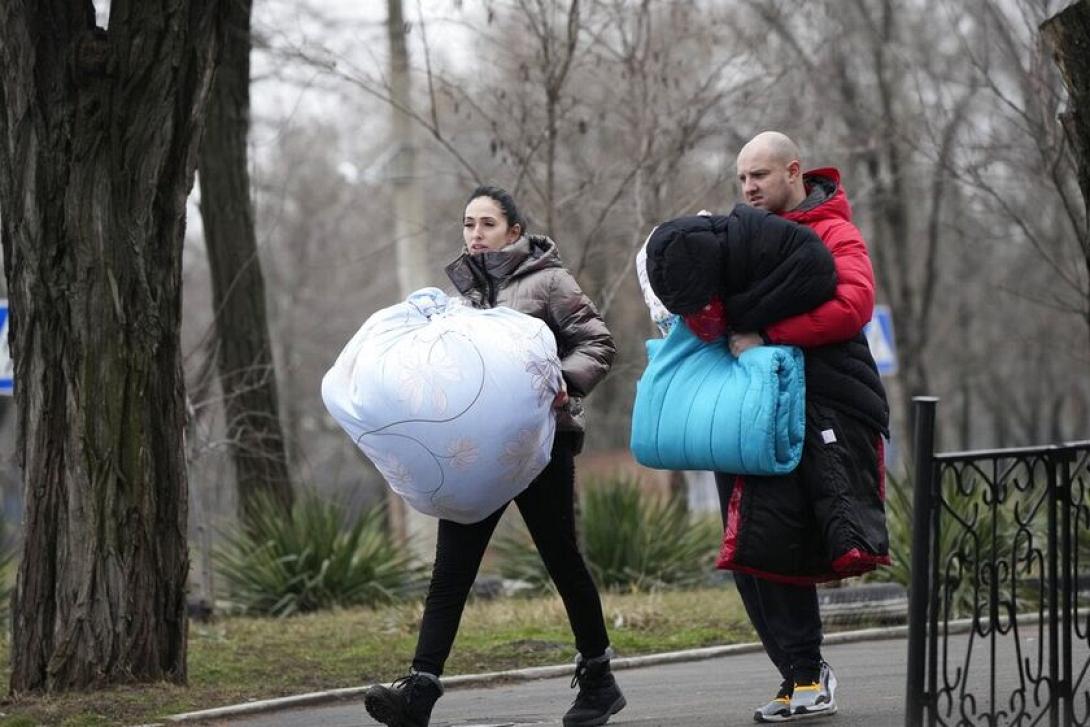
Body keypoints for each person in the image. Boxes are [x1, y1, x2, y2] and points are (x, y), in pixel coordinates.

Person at [363, 186, 625, 727]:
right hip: (476, 454)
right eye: (467, 224)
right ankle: (420, 689)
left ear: (513, 230)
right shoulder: (459, 300)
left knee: (560, 557)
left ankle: (598, 678)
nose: (474, 234)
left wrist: (563, 382)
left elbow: (598, 343)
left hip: (541, 445)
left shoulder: (549, 280)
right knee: (451, 568)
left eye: (486, 224)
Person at [713, 132, 890, 723]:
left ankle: (808, 676)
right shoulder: (740, 236)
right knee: (746, 550)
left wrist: (768, 335)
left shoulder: (834, 231)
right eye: (742, 179)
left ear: (794, 171)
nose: (749, 189)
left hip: (818, 409)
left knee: (779, 544)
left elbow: (852, 306)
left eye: (759, 176)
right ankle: (794, 676)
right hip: (745, 411)